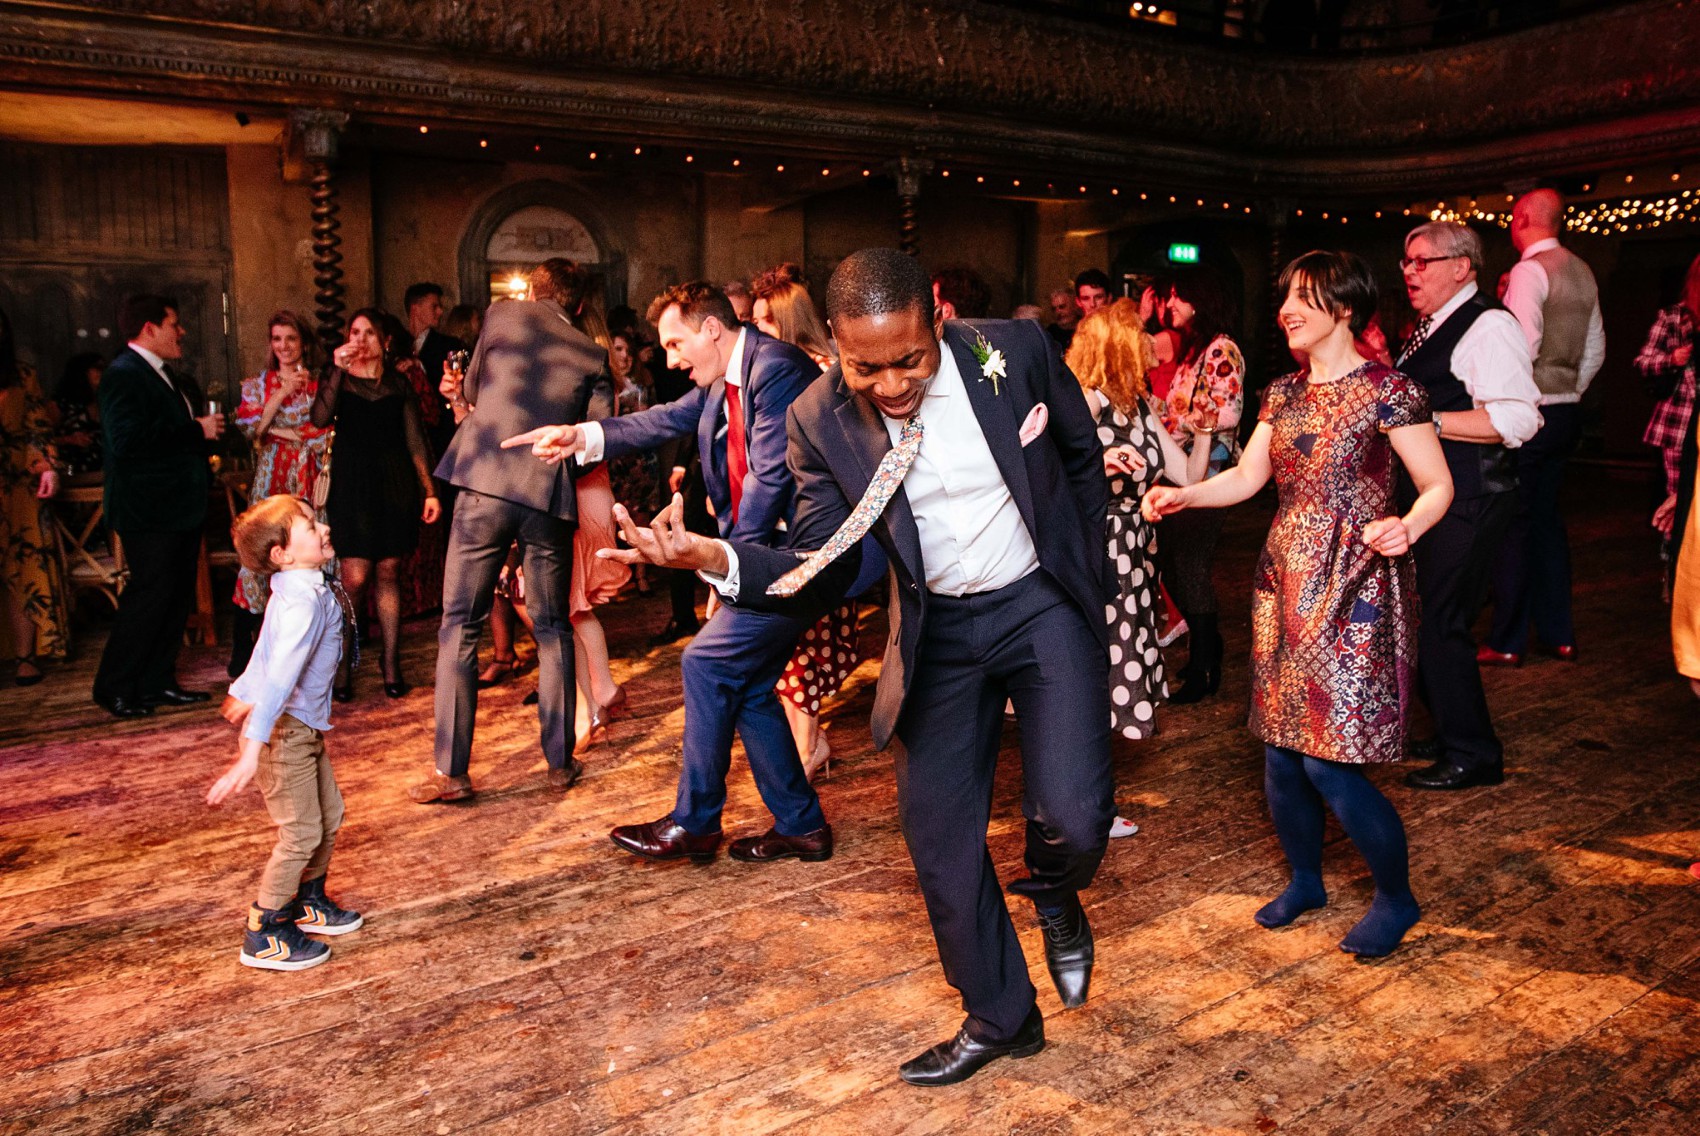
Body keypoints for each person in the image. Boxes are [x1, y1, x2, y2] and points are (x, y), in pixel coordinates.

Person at [556, 249, 1118, 1087]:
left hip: (1038, 603)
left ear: (938, 318)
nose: (890, 385)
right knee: (939, 840)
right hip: (939, 633)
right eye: (866, 367)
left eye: (909, 361)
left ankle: (1056, 890)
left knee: (1073, 818)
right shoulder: (820, 416)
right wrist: (711, 554)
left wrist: (1087, 571)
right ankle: (1001, 1014)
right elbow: (823, 556)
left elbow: (1078, 456)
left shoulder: (1018, 354)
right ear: (834, 345)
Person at [1145, 249, 1454, 958]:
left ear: (1343, 307)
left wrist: (1409, 524)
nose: (1286, 309)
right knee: (1282, 754)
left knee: (1328, 762)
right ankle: (1307, 880)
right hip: (1284, 580)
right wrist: (1188, 493)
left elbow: (1437, 485)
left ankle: (1396, 898)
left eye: (1304, 298)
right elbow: (1250, 476)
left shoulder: (1390, 391)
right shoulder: (1281, 394)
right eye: (1284, 297)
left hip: (1356, 583)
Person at [503, 281, 832, 866]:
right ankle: (801, 825)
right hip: (768, 557)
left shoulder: (776, 366)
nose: (672, 358)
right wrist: (581, 435)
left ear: (711, 329)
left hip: (807, 557)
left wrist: (732, 571)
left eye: (677, 343)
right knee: (749, 684)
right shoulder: (722, 378)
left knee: (705, 663)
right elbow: (660, 420)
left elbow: (771, 481)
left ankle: (696, 823)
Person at [409, 259, 607, 803]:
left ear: (534, 292)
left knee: (460, 626)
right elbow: (597, 437)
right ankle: (560, 764)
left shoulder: (501, 316)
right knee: (552, 629)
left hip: (486, 486)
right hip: (547, 497)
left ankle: (452, 773)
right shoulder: (593, 355)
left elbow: (472, 393)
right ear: (580, 306)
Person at [1393, 222, 1542, 790]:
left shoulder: (1489, 325)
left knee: (1440, 622)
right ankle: (1454, 728)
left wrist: (1425, 421)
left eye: (1422, 261)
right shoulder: (1432, 326)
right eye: (1406, 261)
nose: (1409, 271)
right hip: (1442, 496)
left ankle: (1475, 754)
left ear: (1462, 266)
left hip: (1473, 495)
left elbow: (1517, 419)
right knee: (1425, 618)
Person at [1066, 300, 1208, 836]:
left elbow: (1185, 476)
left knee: (1111, 671)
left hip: (1135, 550)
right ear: (1118, 345)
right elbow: (1040, 466)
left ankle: (1091, 806)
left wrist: (1208, 432)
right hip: (1096, 548)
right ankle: (1086, 808)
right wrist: (1095, 464)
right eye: (1140, 335)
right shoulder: (1085, 400)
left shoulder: (1138, 403)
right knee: (1091, 676)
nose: (1151, 343)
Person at [208, 495, 362, 971]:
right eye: (309, 526)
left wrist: (242, 688)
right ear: (282, 554)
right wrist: (251, 750)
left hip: (302, 727)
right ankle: (265, 927)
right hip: (283, 732)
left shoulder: (301, 589)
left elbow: (265, 652)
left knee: (329, 815)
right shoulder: (301, 603)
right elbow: (279, 675)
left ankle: (307, 899)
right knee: (300, 832)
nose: (323, 529)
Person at [751, 265, 866, 777]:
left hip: (816, 529)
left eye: (764, 321)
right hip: (787, 527)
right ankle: (809, 743)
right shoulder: (775, 369)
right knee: (796, 645)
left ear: (787, 320)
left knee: (802, 644)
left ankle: (806, 747)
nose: (755, 332)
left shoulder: (820, 371)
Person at [1481, 189, 1605, 666]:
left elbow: (1522, 343)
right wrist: (1569, 391)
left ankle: (1508, 640)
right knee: (1549, 524)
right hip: (1566, 412)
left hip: (1531, 414)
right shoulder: (1583, 270)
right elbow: (1595, 347)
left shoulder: (1530, 271)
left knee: (1513, 523)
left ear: (1523, 218)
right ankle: (1559, 634)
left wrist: (1513, 400)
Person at [92, 294, 225, 718]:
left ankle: (156, 682)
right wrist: (194, 431)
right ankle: (114, 687)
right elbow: (128, 442)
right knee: (148, 598)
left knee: (172, 597)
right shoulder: (122, 375)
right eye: (174, 323)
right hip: (148, 512)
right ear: (149, 329)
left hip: (177, 508)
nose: (181, 331)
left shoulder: (162, 373)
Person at [311, 309, 440, 701]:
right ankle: (343, 665)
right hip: (352, 486)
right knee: (353, 578)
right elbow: (319, 418)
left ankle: (390, 662)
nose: (360, 339)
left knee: (388, 571)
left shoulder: (399, 383)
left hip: (394, 484)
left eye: (369, 333)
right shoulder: (339, 379)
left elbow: (415, 441)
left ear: (384, 340)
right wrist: (335, 369)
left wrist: (429, 490)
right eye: (354, 332)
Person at [1154, 267, 1246, 703]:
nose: (1169, 305)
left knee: (1188, 565)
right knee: (1173, 565)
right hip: (1183, 469)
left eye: (1176, 296)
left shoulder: (1220, 348)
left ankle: (1207, 663)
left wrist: (1183, 421)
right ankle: (1206, 650)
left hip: (1212, 473)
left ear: (1198, 300)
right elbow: (1180, 405)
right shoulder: (1195, 351)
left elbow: (1228, 412)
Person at [228, 310, 330, 677]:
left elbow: (325, 431)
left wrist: (278, 432)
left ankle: (308, 650)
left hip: (309, 474)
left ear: (303, 343)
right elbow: (251, 428)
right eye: (276, 339)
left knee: (308, 554)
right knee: (260, 554)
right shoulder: (258, 384)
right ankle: (244, 649)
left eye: (290, 338)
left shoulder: (321, 383)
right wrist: (283, 394)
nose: (283, 346)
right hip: (272, 477)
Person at [0, 307, 68, 684]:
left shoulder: (22, 376)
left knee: (22, 571)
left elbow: (38, 431)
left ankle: (26, 656)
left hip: (16, 487)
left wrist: (46, 464)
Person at [1636, 254, 1699, 501]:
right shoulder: (1673, 317)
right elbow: (1643, 362)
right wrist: (1672, 359)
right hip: (1680, 421)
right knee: (1679, 498)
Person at [52, 351, 106, 478]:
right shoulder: (61, 404)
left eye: (105, 368)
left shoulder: (104, 402)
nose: (103, 372)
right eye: (98, 367)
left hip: (102, 474)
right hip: (71, 473)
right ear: (82, 371)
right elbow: (41, 439)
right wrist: (69, 440)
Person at [1047, 287, 1081, 352]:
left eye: (1062, 307)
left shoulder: (1086, 327)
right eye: (1054, 309)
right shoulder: (1049, 334)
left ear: (1074, 305)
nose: (1058, 312)